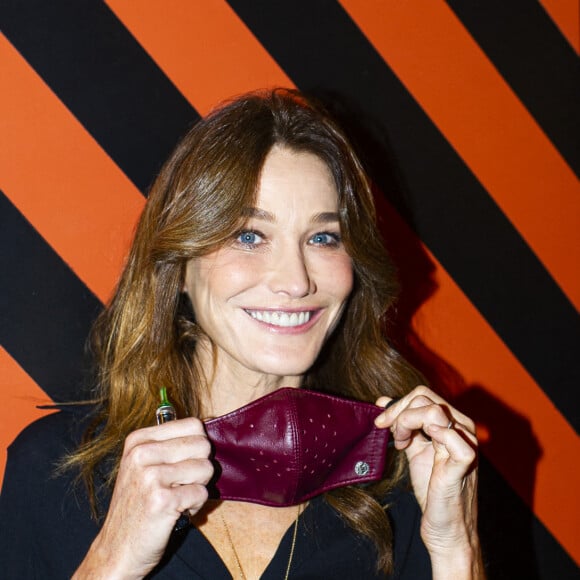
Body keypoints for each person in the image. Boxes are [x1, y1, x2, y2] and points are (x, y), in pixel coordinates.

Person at [0, 89, 483, 579]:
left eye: (323, 237)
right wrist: (112, 559)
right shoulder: (53, 470)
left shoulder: (404, 478)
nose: (296, 281)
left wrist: (453, 544)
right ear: (179, 268)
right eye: (248, 236)